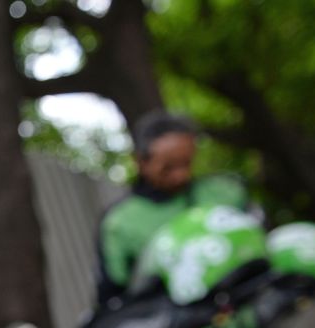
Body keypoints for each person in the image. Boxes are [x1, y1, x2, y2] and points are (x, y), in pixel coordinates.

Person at [96, 110, 250, 303]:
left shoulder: (224, 192)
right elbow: (113, 294)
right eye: (168, 168)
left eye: (187, 163)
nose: (181, 176)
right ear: (140, 162)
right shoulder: (119, 223)